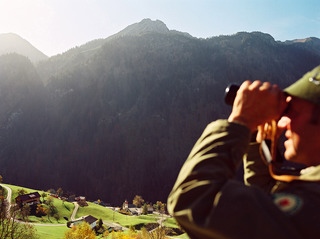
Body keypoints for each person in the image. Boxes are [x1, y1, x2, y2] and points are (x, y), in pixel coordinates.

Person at [167, 65, 320, 239]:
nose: (283, 123)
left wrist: (241, 121)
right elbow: (269, 199)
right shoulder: (312, 193)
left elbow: (196, 202)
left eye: (292, 112)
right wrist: (257, 138)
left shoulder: (314, 206)